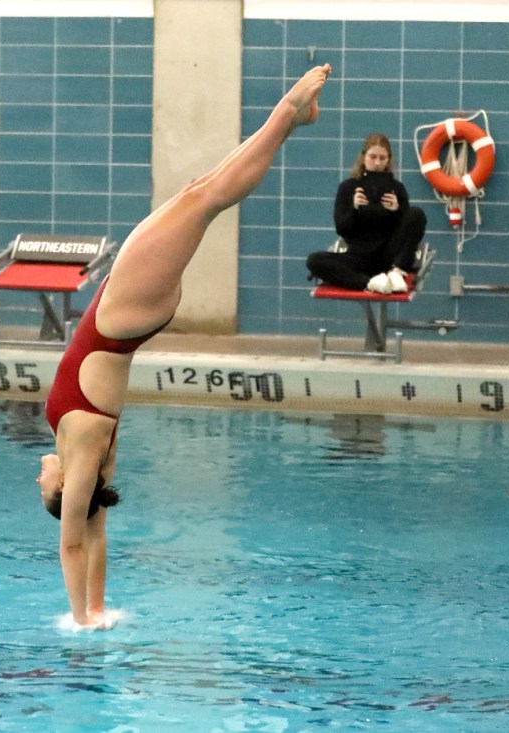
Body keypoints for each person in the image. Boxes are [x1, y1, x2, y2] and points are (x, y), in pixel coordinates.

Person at [36, 64, 332, 629]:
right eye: (43, 489)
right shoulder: (79, 471)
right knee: (208, 198)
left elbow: (96, 533)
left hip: (123, 316)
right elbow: (75, 544)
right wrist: (80, 621)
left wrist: (99, 609)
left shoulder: (85, 463)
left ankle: (292, 119)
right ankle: (287, 110)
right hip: (119, 319)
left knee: (199, 191)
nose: (37, 478)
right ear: (62, 493)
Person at [305, 132, 426, 294]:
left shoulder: (397, 188)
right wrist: (354, 209)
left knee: (416, 214)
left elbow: (408, 230)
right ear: (363, 157)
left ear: (389, 160)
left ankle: (397, 272)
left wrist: (397, 211)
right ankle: (371, 283)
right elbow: (342, 229)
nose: (377, 163)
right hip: (358, 257)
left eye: (382, 158)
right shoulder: (347, 188)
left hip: (389, 256)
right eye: (372, 157)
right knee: (314, 261)